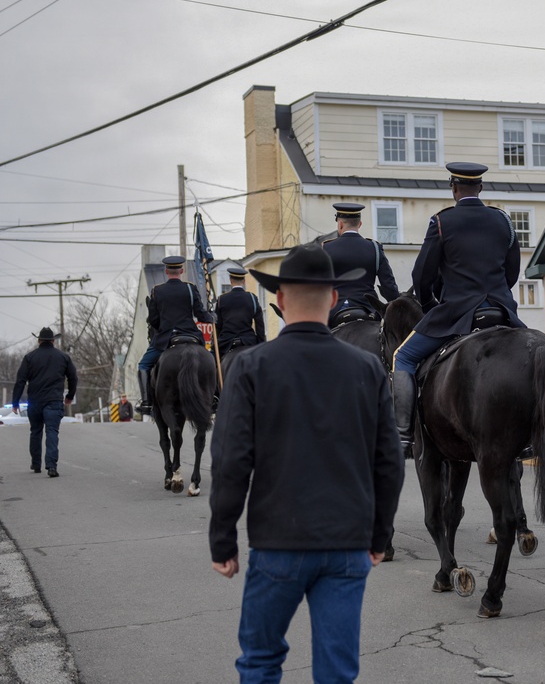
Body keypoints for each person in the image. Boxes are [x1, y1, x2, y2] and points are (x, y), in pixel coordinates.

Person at [209, 242, 403, 683]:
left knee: (260, 661)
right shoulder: (368, 369)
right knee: (336, 672)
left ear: (279, 300)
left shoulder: (252, 366)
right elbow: (389, 462)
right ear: (333, 299)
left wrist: (223, 539)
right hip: (347, 544)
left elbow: (231, 461)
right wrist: (379, 535)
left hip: (278, 543)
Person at [392, 162, 525, 457]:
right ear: (481, 188)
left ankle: (402, 435)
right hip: (501, 311)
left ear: (453, 188)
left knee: (403, 356)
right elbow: (512, 272)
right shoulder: (503, 220)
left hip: (457, 313)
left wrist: (429, 306)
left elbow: (421, 276)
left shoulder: (441, 221)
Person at [136, 256, 215, 415]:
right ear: (181, 270)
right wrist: (212, 318)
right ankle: (214, 397)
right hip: (191, 335)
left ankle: (146, 403)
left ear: (166, 271)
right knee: (211, 361)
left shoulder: (157, 291)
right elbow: (200, 315)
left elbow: (154, 320)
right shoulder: (190, 289)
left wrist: (160, 329)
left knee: (143, 365)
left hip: (166, 338)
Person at [11, 327, 77, 477]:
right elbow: (73, 377)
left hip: (35, 401)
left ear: (39, 340)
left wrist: (15, 402)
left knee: (35, 431)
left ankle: (36, 464)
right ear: (53, 341)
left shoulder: (29, 357)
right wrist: (70, 396)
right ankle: (51, 466)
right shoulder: (63, 357)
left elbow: (20, 381)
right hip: (54, 400)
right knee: (52, 431)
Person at [322, 203, 399, 324]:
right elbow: (388, 285)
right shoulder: (374, 248)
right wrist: (398, 305)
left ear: (340, 224)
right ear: (360, 224)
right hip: (368, 309)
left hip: (334, 311)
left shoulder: (326, 248)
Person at [216, 266, 266, 357]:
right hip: (248, 341)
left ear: (230, 281)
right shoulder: (252, 298)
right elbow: (260, 325)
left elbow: (218, 325)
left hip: (227, 342)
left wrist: (217, 344)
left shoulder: (221, 299)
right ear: (244, 281)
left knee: (213, 363)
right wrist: (261, 344)